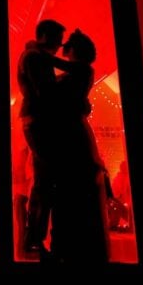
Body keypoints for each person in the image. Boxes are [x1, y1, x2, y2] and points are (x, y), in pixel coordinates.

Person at [49, 29, 110, 263]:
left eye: (69, 47)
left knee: (74, 184)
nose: (66, 50)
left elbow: (59, 70)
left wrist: (38, 53)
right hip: (69, 132)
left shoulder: (84, 69)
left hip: (73, 134)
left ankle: (75, 249)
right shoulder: (80, 72)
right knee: (70, 187)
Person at [16, 18, 66, 255]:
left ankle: (33, 237)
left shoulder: (35, 56)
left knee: (43, 178)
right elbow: (45, 91)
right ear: (45, 35)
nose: (59, 44)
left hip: (35, 120)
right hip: (39, 121)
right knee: (45, 179)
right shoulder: (35, 58)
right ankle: (33, 237)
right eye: (57, 39)